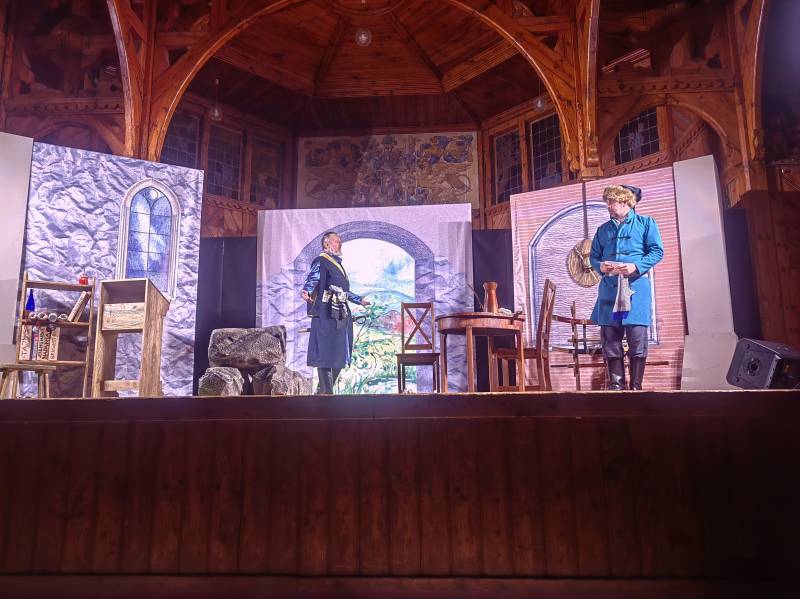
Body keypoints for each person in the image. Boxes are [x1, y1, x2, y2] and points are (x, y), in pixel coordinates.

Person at [589, 185, 664, 390]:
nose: (608, 206)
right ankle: (616, 387)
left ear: (625, 202)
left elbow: (657, 251)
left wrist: (635, 266)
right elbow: (594, 257)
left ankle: (636, 387)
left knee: (637, 339)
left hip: (635, 289)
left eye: (611, 201)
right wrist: (600, 266)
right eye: (607, 202)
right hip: (610, 290)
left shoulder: (646, 223)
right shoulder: (603, 230)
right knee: (611, 339)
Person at [301, 231, 370, 394]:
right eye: (337, 241)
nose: (340, 244)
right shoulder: (321, 261)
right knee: (325, 353)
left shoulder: (337, 264)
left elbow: (342, 291)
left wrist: (358, 300)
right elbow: (313, 278)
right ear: (327, 243)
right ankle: (326, 393)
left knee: (340, 354)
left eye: (340, 241)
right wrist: (307, 290)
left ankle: (322, 391)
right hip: (326, 313)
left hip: (340, 313)